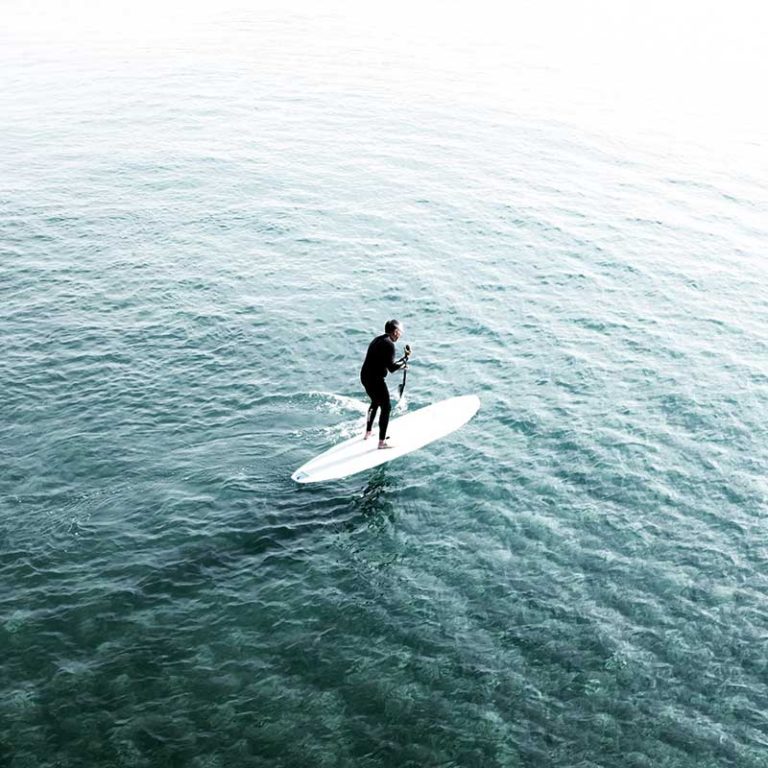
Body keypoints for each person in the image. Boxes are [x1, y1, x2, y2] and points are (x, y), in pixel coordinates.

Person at [360, 319, 410, 449]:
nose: (400, 334)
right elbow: (391, 368)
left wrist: (402, 361)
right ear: (395, 331)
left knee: (375, 402)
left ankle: (368, 433)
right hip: (375, 380)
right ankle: (381, 442)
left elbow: (386, 363)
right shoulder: (389, 344)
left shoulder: (378, 340)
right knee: (386, 408)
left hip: (365, 376)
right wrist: (403, 364)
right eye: (400, 332)